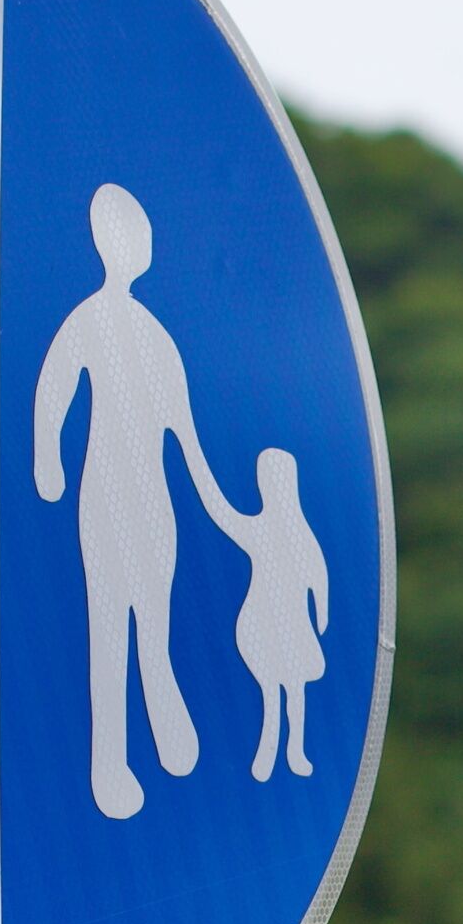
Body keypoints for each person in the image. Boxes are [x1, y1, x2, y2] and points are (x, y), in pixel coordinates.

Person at [32, 184, 231, 818]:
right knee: (110, 624)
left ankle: (162, 695)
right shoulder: (91, 319)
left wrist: (228, 513)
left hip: (152, 503)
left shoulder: (156, 340)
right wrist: (46, 460)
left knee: (151, 618)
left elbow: (187, 440)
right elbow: (53, 390)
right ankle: (109, 761)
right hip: (105, 497)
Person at [218, 446, 328, 780]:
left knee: (293, 690)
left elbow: (318, 581)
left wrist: (321, 617)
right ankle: (270, 752)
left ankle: (294, 751)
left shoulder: (298, 536)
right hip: (263, 625)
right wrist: (198, 469)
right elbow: (221, 514)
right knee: (273, 693)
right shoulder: (263, 529)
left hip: (291, 626)